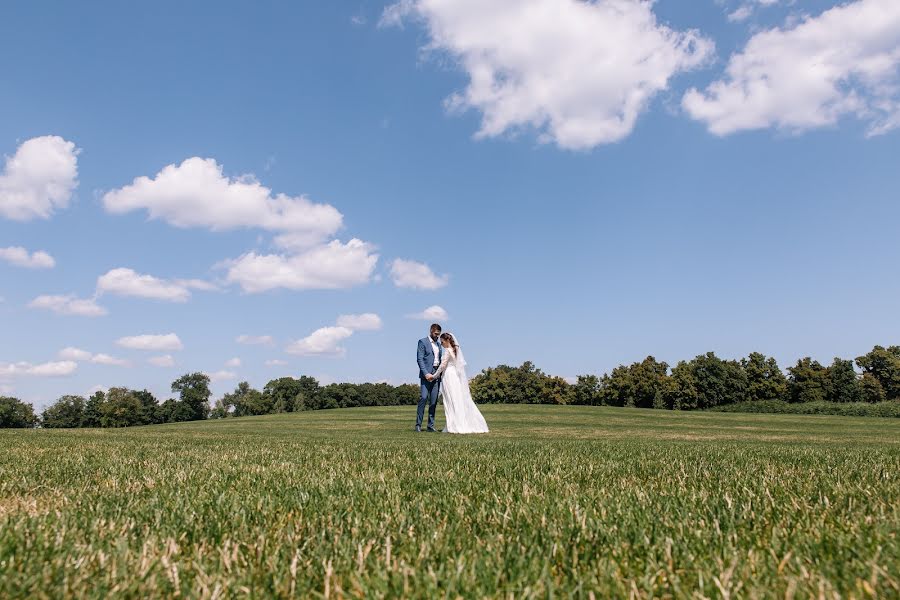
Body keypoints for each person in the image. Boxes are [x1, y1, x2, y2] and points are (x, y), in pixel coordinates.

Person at [431, 332, 489, 434]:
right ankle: (458, 423)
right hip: (455, 377)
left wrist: (434, 376)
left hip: (449, 375)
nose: (441, 343)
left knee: (451, 400)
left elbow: (442, 365)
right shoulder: (455, 350)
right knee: (457, 399)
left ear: (447, 340)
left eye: (442, 341)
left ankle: (455, 425)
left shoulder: (448, 351)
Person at [415, 323, 443, 432]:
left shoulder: (439, 345)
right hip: (426, 376)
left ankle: (430, 426)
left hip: (436, 376)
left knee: (433, 401)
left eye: (439, 334)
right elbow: (419, 359)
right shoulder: (422, 342)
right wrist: (426, 373)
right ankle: (418, 425)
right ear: (431, 331)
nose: (437, 336)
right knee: (423, 398)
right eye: (436, 334)